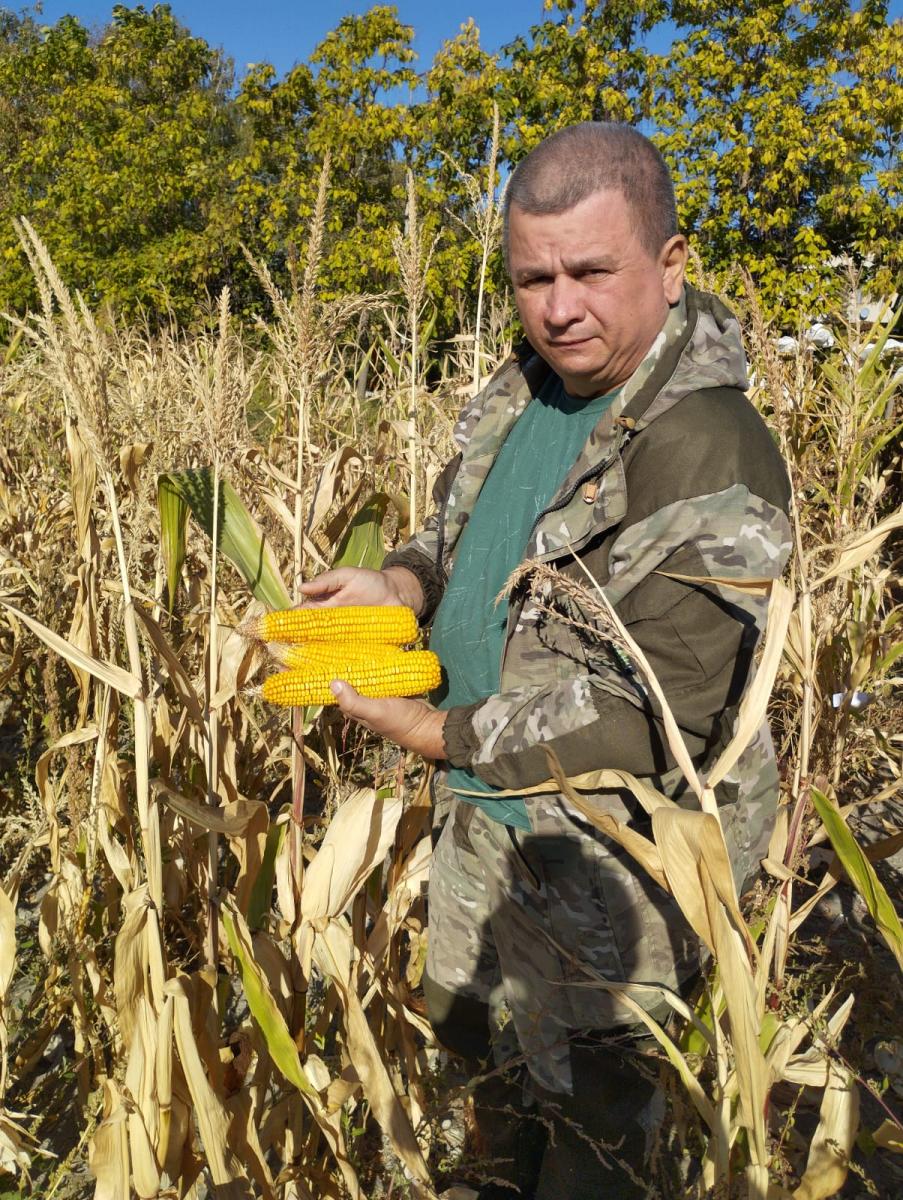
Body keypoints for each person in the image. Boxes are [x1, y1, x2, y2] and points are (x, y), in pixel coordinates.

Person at [301, 123, 792, 1198]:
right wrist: (404, 585)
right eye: (533, 276)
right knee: (485, 1108)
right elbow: (462, 532)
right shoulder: (523, 389)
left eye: (590, 271)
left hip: (607, 883)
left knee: (595, 1154)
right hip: (485, 831)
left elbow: (664, 712)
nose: (559, 305)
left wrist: (432, 733)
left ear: (669, 266)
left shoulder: (707, 446)